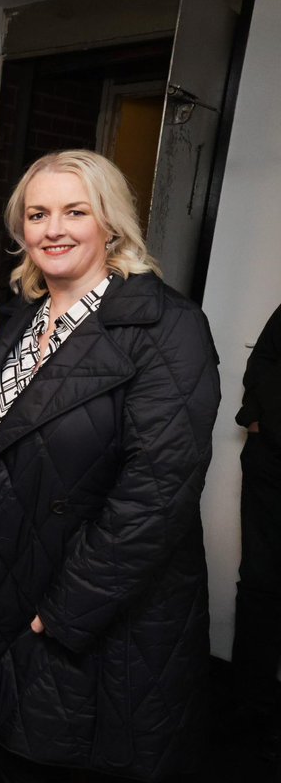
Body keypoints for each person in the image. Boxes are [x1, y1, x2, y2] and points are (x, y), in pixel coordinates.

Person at [0, 149, 220, 782]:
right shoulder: (22, 319)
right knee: (8, 754)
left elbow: (156, 494)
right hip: (5, 592)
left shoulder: (166, 327)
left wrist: (61, 614)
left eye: (75, 211)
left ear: (111, 223)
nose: (53, 229)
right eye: (37, 214)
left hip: (90, 614)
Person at [231, 303, 281, 750]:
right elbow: (263, 360)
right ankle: (250, 709)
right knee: (260, 587)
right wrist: (264, 422)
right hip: (273, 468)